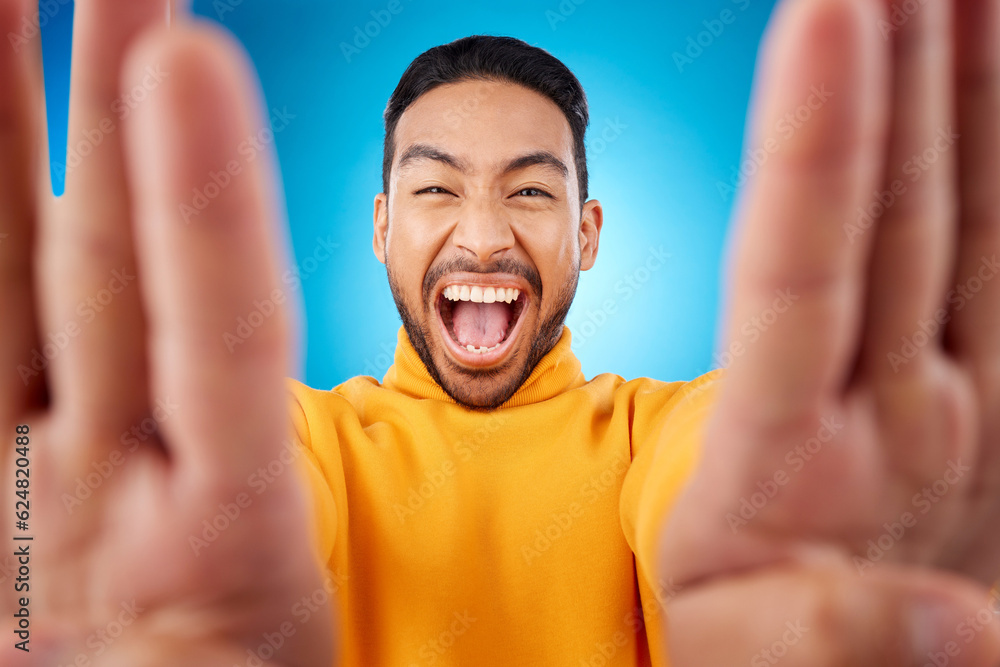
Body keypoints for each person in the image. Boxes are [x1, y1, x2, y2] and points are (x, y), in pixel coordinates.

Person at [2, 0, 999, 664]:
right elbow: (249, 503)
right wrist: (22, 570)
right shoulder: (291, 442)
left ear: (588, 233)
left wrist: (846, 547)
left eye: (529, 191)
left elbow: (713, 475)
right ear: (383, 227)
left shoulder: (660, 432)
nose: (482, 235)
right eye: (435, 189)